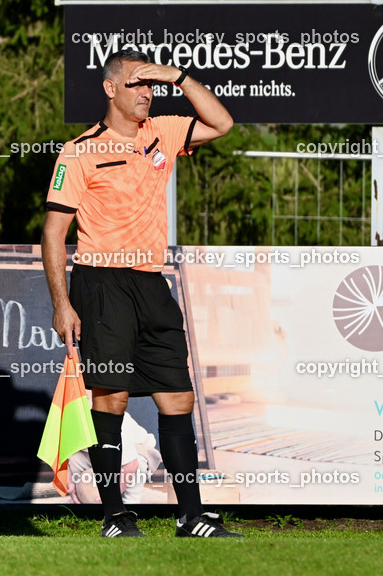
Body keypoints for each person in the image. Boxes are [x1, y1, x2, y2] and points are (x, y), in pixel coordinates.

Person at [42, 49, 241, 538]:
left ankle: (191, 517)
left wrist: (178, 77)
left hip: (152, 283)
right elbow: (53, 233)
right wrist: (62, 303)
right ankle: (115, 515)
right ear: (110, 89)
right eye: (136, 83)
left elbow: (222, 123)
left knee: (178, 398)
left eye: (151, 84)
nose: (147, 92)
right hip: (101, 285)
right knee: (111, 398)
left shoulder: (163, 132)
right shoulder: (78, 150)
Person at [66, 412, 161, 505]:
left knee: (140, 466)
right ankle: (82, 497)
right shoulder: (73, 420)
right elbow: (66, 456)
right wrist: (70, 483)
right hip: (98, 452)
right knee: (75, 460)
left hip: (134, 451)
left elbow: (132, 465)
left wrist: (112, 496)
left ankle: (130, 501)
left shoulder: (120, 422)